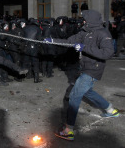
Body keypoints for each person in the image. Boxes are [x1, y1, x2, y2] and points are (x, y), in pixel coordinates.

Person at [45, 9, 120, 141]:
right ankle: (110, 110)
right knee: (87, 92)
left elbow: (108, 53)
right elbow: (70, 41)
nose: (83, 21)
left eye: (85, 19)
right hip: (85, 67)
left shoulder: (103, 33)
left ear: (91, 20)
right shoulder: (85, 32)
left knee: (74, 95)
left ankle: (68, 130)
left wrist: (84, 48)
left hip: (94, 69)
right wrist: (52, 40)